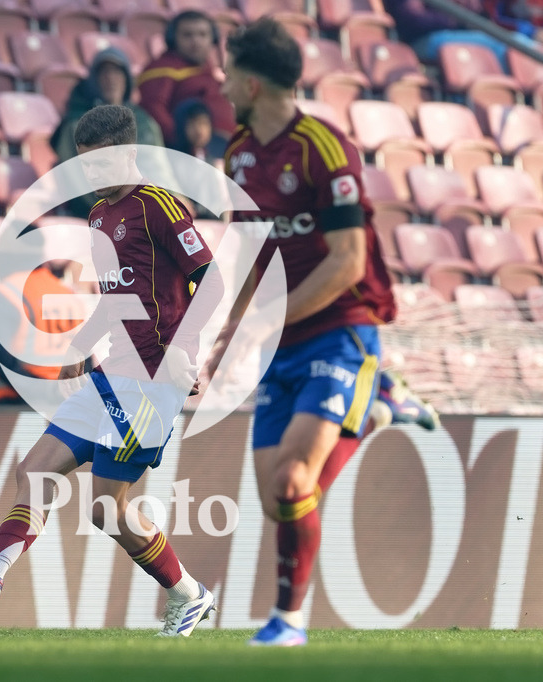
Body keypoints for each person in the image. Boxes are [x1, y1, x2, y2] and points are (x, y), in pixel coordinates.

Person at [0, 104, 225, 637]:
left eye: (99, 164)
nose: (89, 176)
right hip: (110, 372)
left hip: (152, 378)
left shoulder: (161, 206)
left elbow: (210, 281)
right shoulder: (99, 216)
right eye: (83, 165)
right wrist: (83, 344)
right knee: (34, 470)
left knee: (106, 511)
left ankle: (189, 594)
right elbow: (119, 295)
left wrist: (186, 346)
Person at [211, 18, 431, 646]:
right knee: (277, 501)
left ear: (252, 82)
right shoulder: (238, 155)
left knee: (292, 483)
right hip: (280, 343)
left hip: (341, 331)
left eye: (229, 75)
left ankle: (287, 623)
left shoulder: (324, 148)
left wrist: (268, 321)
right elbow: (250, 253)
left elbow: (348, 263)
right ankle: (380, 405)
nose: (222, 88)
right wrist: (233, 329)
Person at [51, 47, 168, 217]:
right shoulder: (75, 123)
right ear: (93, 81)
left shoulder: (144, 121)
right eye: (104, 73)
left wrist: (171, 197)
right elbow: (80, 181)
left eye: (117, 73)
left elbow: (159, 167)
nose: (111, 79)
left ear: (127, 79)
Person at [0, 231, 85, 406]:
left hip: (8, 404)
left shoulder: (3, 295)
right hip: (64, 402)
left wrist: (41, 392)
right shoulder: (68, 295)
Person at [137, 10, 235, 148]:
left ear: (213, 39)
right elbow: (154, 112)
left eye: (202, 34)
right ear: (172, 38)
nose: (196, 41)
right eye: (187, 35)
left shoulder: (209, 69)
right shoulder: (161, 69)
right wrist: (185, 144)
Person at [385, 0, 513, 68]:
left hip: (458, 34)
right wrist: (455, 21)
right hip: (423, 40)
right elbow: (412, 19)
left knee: (517, 41)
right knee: (501, 48)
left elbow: (478, 12)